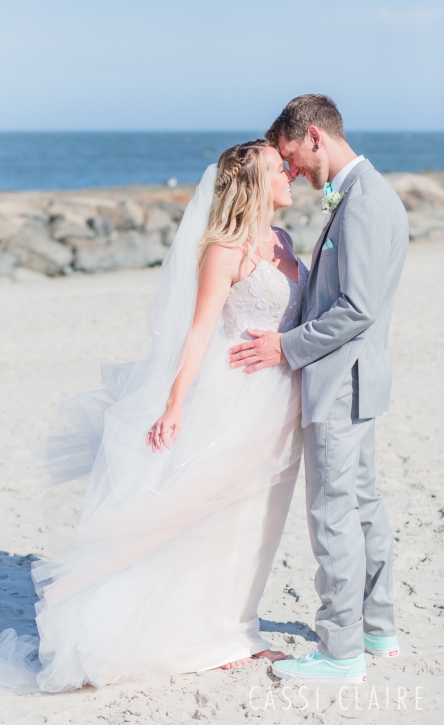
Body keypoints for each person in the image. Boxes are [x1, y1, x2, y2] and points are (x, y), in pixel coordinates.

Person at [0, 140, 309, 692]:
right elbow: (197, 333)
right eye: (277, 168)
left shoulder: (285, 241)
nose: (290, 173)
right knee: (202, 510)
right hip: (235, 396)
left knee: (258, 515)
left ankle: (237, 626)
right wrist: (173, 406)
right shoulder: (224, 250)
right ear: (253, 184)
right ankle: (198, 632)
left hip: (279, 399)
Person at [229, 94, 406, 684]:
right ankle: (376, 629)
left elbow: (356, 307)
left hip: (341, 384)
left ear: (312, 136)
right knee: (361, 507)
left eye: (291, 157)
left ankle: (339, 651)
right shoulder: (363, 195)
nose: (293, 171)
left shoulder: (363, 204)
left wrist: (286, 346)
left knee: (333, 515)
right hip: (358, 382)